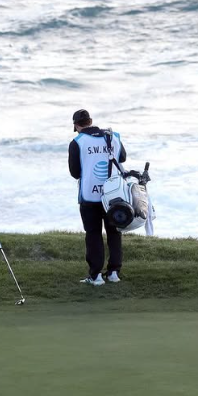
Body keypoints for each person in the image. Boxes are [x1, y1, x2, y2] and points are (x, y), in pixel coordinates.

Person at [68, 109, 126, 286]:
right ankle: (114, 273)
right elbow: (122, 158)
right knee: (114, 232)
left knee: (93, 234)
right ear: (91, 121)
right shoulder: (113, 136)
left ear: (76, 126)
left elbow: (75, 172)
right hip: (113, 195)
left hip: (89, 196)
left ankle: (96, 276)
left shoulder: (77, 142)